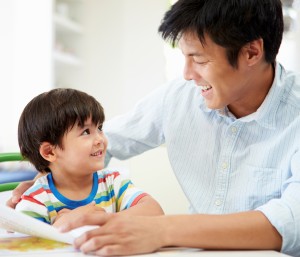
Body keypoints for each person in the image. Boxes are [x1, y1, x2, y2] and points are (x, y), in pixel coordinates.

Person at [7, 0, 300, 256]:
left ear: (251, 52)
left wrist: (161, 230)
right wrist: (49, 176)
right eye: (183, 57)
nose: (186, 74)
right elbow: (109, 140)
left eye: (198, 59)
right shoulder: (179, 98)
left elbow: (289, 221)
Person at [14, 88, 163, 225]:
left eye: (99, 128)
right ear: (50, 152)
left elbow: (155, 211)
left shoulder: (113, 183)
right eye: (86, 132)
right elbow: (25, 247)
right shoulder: (36, 200)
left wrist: (100, 219)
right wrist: (61, 227)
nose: (100, 139)